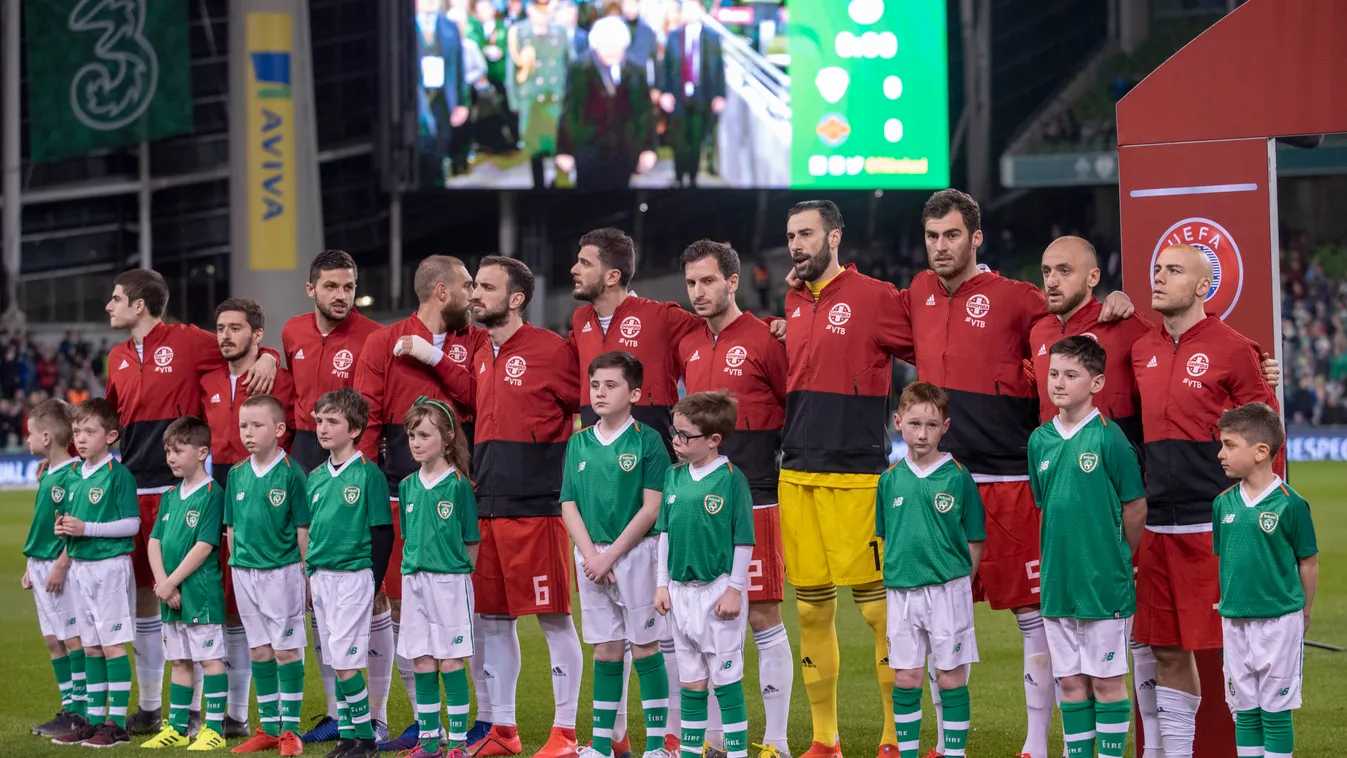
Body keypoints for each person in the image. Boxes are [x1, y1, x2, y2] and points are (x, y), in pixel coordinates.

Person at [904, 191, 1131, 758]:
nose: (941, 247)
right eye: (932, 237)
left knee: (1034, 614)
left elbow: (1074, 324)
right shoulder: (916, 294)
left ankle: (1035, 743)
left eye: (952, 235)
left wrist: (1114, 301)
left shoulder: (1018, 298)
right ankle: (946, 744)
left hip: (1009, 481)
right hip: (942, 480)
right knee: (938, 613)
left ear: (976, 237)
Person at [104, 269, 277, 737]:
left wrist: (273, 357)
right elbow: (108, 421)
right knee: (149, 599)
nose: (108, 306)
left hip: (184, 490)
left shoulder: (188, 341)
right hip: (132, 489)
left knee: (214, 601)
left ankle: (225, 713)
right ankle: (151, 708)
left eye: (115, 298)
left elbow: (241, 351)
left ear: (139, 304)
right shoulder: (115, 356)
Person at [1131, 244, 1280, 758]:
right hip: (1157, 528)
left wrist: (1260, 520)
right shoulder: (1141, 348)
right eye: (1157, 268)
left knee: (1241, 654)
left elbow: (1266, 436)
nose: (1159, 277)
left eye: (1174, 270)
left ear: (1202, 287)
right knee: (1167, 651)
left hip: (1216, 527)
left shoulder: (1235, 348)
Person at [776, 200, 913, 758]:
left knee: (879, 609)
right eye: (790, 236)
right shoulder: (793, 298)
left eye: (806, 234)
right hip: (796, 476)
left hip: (857, 475)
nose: (796, 245)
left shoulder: (876, 297)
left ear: (835, 238)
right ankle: (824, 739)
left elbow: (930, 349)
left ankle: (891, 737)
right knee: (810, 608)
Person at [353, 254, 483, 750]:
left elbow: (477, 398)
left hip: (456, 489)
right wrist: (363, 492)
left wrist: (433, 358)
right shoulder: (384, 342)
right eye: (468, 285)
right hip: (396, 493)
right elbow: (366, 417)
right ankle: (412, 725)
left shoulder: (473, 341)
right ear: (442, 291)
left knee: (461, 621)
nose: (475, 295)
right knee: (399, 610)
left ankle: (475, 724)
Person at [677, 240, 793, 757]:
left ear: (732, 281)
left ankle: (776, 741)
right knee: (706, 622)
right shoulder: (690, 345)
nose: (698, 292)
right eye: (691, 283)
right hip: (698, 505)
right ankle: (718, 738)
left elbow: (795, 409)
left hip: (758, 498)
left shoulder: (768, 340)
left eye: (707, 281)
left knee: (763, 617)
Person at [467, 256, 583, 758]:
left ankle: (566, 733)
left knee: (554, 617)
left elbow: (593, 408)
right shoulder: (479, 352)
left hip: (538, 508)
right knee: (492, 620)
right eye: (474, 285)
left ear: (515, 299)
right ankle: (504, 731)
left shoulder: (552, 351)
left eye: (486, 287)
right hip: (486, 506)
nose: (475, 294)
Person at [1028, 337, 1147, 758]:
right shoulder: (1039, 441)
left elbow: (1135, 507)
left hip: (1103, 584)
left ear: (1096, 383)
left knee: (1107, 682)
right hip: (1059, 583)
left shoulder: (1110, 439)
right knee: (1071, 682)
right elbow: (1046, 507)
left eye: (1071, 375)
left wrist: (1117, 556)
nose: (1058, 383)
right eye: (1054, 373)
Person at [282, 250, 382, 744]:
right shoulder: (292, 333)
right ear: (311, 289)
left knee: (371, 594)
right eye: (332, 287)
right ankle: (339, 713)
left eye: (349, 286)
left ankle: (375, 715)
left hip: (355, 465)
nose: (342, 296)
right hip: (305, 456)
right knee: (315, 596)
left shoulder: (372, 336)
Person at [560, 351, 671, 758]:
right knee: (606, 649)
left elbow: (653, 507)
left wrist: (611, 556)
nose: (600, 393)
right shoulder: (579, 442)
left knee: (645, 646)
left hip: (637, 554)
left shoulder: (649, 440)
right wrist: (591, 555)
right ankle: (603, 746)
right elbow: (568, 503)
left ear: (635, 393)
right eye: (595, 385)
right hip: (591, 558)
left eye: (611, 385)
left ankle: (658, 746)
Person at [199, 297, 300, 732]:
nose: (226, 335)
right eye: (221, 327)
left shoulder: (282, 379)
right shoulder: (207, 380)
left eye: (236, 328)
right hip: (221, 487)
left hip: (270, 491)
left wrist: (273, 359)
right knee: (226, 601)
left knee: (269, 616)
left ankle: (258, 717)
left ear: (257, 335)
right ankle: (235, 715)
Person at [876, 382, 984, 758]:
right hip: (902, 593)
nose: (922, 434)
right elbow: (887, 536)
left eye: (932, 425)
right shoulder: (889, 480)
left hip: (947, 592)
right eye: (915, 423)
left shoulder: (957, 476)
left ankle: (953, 753)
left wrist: (958, 583)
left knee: (951, 677)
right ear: (898, 422)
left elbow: (974, 539)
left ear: (946, 426)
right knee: (906, 678)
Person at [1213, 403, 1318, 758]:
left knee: (1275, 710)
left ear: (1260, 452)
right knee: (1245, 709)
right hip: (1234, 620)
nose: (1220, 453)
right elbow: (1225, 561)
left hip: (1278, 621)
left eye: (1229, 445)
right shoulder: (1222, 504)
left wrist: (1304, 611)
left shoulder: (1291, 504)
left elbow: (1309, 561)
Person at [654, 390, 755, 758]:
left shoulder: (731, 479)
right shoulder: (673, 477)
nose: (677, 441)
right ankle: (691, 752)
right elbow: (664, 533)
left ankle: (738, 752)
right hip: (681, 594)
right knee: (691, 683)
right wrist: (662, 584)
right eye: (674, 433)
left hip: (717, 592)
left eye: (685, 435)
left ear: (713, 440)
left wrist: (734, 590)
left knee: (726, 682)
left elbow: (743, 540)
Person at [305, 388, 395, 758]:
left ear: (355, 429)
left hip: (354, 576)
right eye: (319, 421)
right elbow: (311, 532)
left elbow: (382, 533)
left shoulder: (369, 474)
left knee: (345, 662)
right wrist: (310, 575)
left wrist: (373, 580)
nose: (323, 428)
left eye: (333, 422)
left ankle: (366, 739)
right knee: (335, 659)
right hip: (322, 577)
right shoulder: (314, 477)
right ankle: (348, 737)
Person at [224, 394, 311, 757]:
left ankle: (290, 731)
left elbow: (304, 529)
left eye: (257, 425)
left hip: (282, 572)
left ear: (278, 429)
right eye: (244, 425)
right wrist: (237, 562)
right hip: (245, 573)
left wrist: (307, 576)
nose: (248, 432)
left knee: (286, 651)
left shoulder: (292, 472)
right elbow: (230, 527)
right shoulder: (236, 473)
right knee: (259, 650)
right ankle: (268, 728)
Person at [50, 398, 140, 747]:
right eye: (77, 431)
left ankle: (116, 725)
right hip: (81, 569)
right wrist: (67, 530)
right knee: (90, 647)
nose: (81, 438)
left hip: (109, 566)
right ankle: (94, 719)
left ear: (111, 435)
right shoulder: (74, 475)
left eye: (90, 431)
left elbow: (132, 524)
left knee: (113, 646)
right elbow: (76, 522)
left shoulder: (119, 475)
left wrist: (87, 528)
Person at [397, 398, 480, 758]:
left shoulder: (459, 485)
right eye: (412, 435)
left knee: (449, 661)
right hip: (414, 582)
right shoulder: (406, 486)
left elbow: (471, 541)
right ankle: (430, 740)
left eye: (424, 435)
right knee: (422, 660)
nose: (416, 442)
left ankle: (459, 743)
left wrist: (457, 575)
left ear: (446, 439)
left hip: (449, 584)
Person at [141, 417, 229, 750]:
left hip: (200, 591)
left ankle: (215, 729)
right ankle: (177, 727)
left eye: (179, 450)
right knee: (179, 660)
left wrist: (172, 581)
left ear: (203, 451)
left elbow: (204, 546)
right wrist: (163, 583)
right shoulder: (169, 496)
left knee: (209, 659)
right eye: (168, 451)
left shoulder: (211, 493)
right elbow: (154, 542)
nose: (171, 458)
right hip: (171, 592)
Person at [570, 227, 702, 437]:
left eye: (585, 263)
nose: (574, 269)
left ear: (612, 277)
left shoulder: (662, 316)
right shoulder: (579, 320)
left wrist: (772, 324)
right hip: (594, 453)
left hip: (649, 453)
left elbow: (722, 329)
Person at [22, 399, 86, 739]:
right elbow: (45, 522)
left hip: (58, 566)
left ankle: (81, 712)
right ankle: (68, 706)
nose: (26, 440)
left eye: (30, 433)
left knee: (73, 638)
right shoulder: (50, 472)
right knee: (53, 640)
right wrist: (30, 564)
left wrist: (62, 563)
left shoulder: (74, 477)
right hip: (40, 563)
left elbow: (75, 526)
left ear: (47, 437)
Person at [555, 16, 657, 190]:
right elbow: (569, 112)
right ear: (595, 47)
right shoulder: (579, 69)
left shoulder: (636, 69)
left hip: (624, 151)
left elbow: (645, 112)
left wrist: (649, 148)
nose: (611, 52)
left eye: (616, 47)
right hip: (588, 151)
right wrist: (564, 151)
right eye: (606, 47)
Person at [658, 0, 725, 188]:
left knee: (696, 139)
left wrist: (720, 94)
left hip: (702, 96)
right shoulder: (673, 36)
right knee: (678, 140)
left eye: (694, 8)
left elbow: (719, 67)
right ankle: (679, 177)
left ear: (701, 10)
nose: (690, 12)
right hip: (677, 96)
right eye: (686, 8)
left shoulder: (711, 37)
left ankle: (693, 178)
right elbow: (665, 67)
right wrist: (664, 92)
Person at [506, 0, 571, 188]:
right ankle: (539, 187)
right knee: (535, 149)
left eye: (546, 11)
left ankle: (559, 185)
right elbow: (511, 72)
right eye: (538, 11)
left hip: (556, 98)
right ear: (529, 10)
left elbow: (569, 64)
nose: (542, 16)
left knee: (559, 146)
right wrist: (515, 102)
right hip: (531, 99)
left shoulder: (560, 32)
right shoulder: (518, 33)